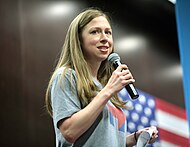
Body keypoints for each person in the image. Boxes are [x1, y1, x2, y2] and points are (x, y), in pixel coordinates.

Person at [45, 7, 158, 147]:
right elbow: (69, 132)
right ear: (79, 39)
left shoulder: (102, 87)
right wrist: (109, 90)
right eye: (95, 32)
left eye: (108, 32)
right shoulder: (67, 76)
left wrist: (134, 138)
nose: (104, 38)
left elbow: (102, 139)